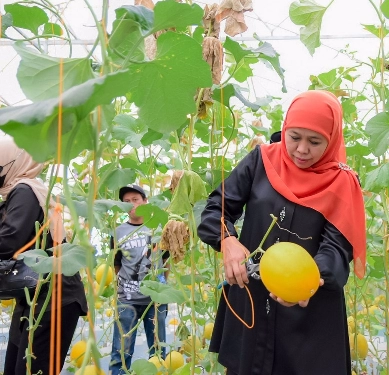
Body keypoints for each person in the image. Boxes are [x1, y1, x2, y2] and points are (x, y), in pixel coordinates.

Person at [197, 90, 367, 375]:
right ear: (284, 129)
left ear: (332, 139)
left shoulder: (342, 182)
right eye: (294, 137)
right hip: (250, 305)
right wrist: (227, 239)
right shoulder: (261, 161)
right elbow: (217, 207)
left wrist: (307, 279)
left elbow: (337, 249)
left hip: (308, 315)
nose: (302, 149)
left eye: (314, 142)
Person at [0, 136, 88, 375]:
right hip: (34, 298)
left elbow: (9, 240)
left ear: (11, 161)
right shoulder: (19, 192)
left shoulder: (25, 190)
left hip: (54, 299)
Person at [109, 184, 170, 375]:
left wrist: (163, 288)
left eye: (135, 200)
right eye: (126, 202)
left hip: (155, 299)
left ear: (145, 201)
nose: (131, 205)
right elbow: (116, 264)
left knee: (158, 351)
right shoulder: (117, 232)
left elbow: (165, 261)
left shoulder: (159, 228)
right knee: (121, 351)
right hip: (127, 299)